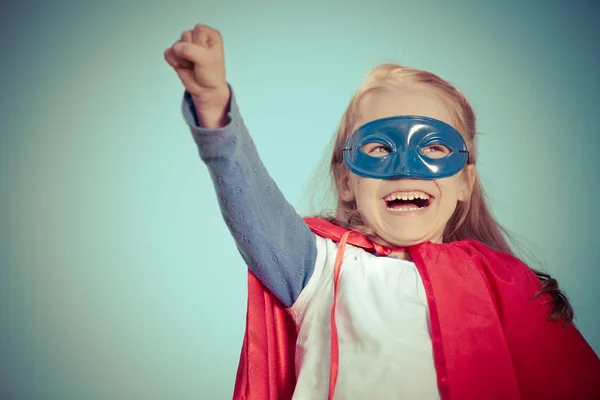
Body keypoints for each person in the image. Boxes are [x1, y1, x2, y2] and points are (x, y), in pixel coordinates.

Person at [164, 24, 600, 399]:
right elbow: (251, 202)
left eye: (433, 147)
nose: (404, 166)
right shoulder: (318, 269)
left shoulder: (508, 287)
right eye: (378, 148)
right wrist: (214, 107)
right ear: (346, 181)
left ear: (464, 181)